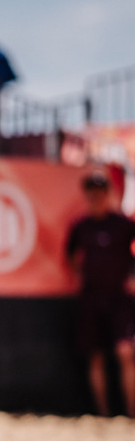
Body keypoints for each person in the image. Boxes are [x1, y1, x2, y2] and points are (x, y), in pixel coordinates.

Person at [65, 170, 135, 417]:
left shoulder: (123, 225)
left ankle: (130, 413)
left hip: (119, 299)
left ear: (108, 194)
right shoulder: (80, 227)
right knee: (96, 356)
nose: (96, 199)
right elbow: (71, 256)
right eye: (91, 194)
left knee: (125, 352)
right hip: (91, 298)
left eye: (100, 194)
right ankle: (103, 414)